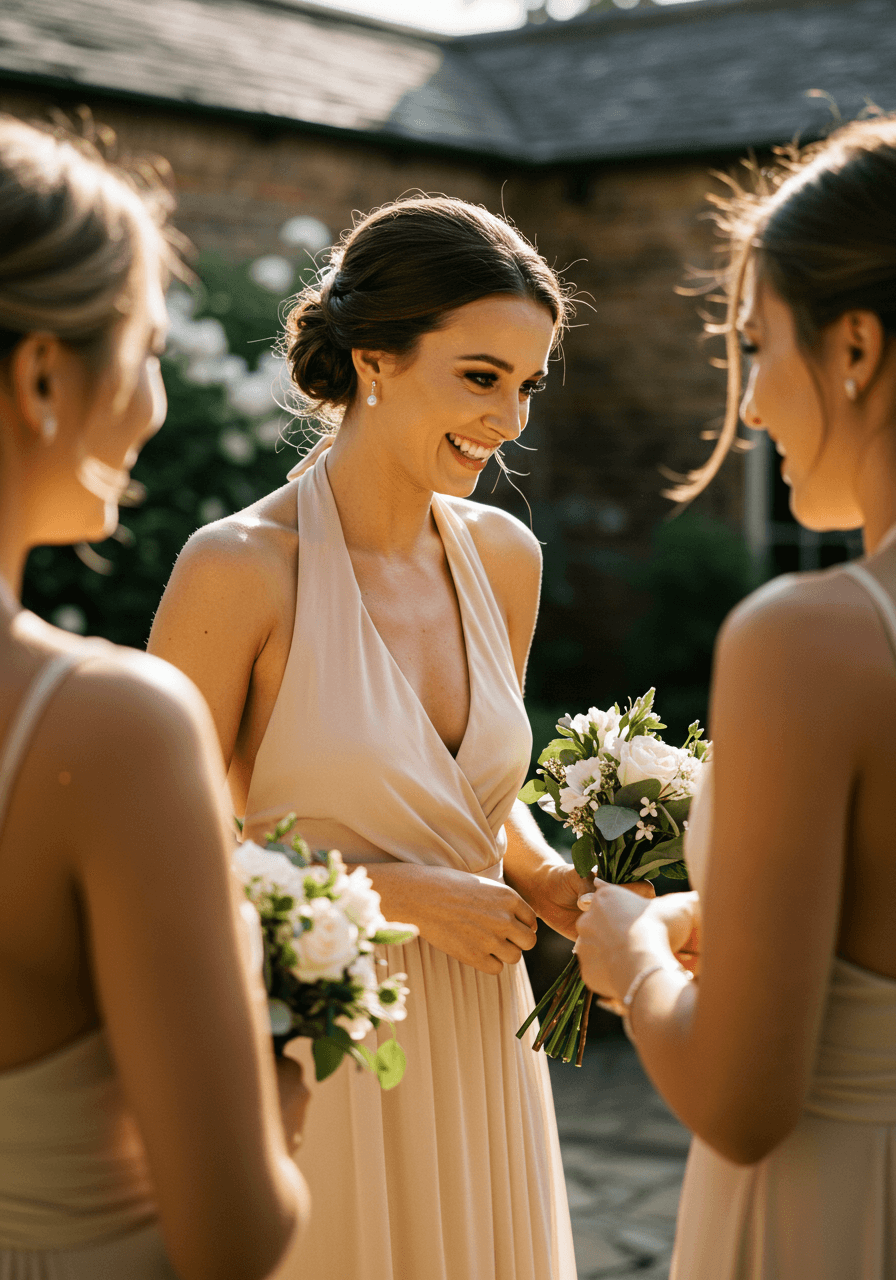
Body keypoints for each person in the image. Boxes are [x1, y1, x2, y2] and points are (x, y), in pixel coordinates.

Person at [148, 195, 584, 1279]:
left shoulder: (504, 558)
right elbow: (153, 858)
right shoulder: (240, 567)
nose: (511, 419)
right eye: (481, 377)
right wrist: (392, 893)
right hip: (324, 1040)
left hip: (489, 1035)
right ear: (375, 357)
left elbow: (467, 791)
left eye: (525, 386)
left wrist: (548, 874)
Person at [575, 115, 896, 1280]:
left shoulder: (810, 639)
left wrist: (629, 960)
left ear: (852, 344)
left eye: (757, 346)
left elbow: (742, 1098)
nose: (749, 405)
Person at [0, 115, 309, 1279]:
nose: (155, 406)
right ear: (41, 374)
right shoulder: (102, 727)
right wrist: (285, 1068)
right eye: (144, 352)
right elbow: (235, 1233)